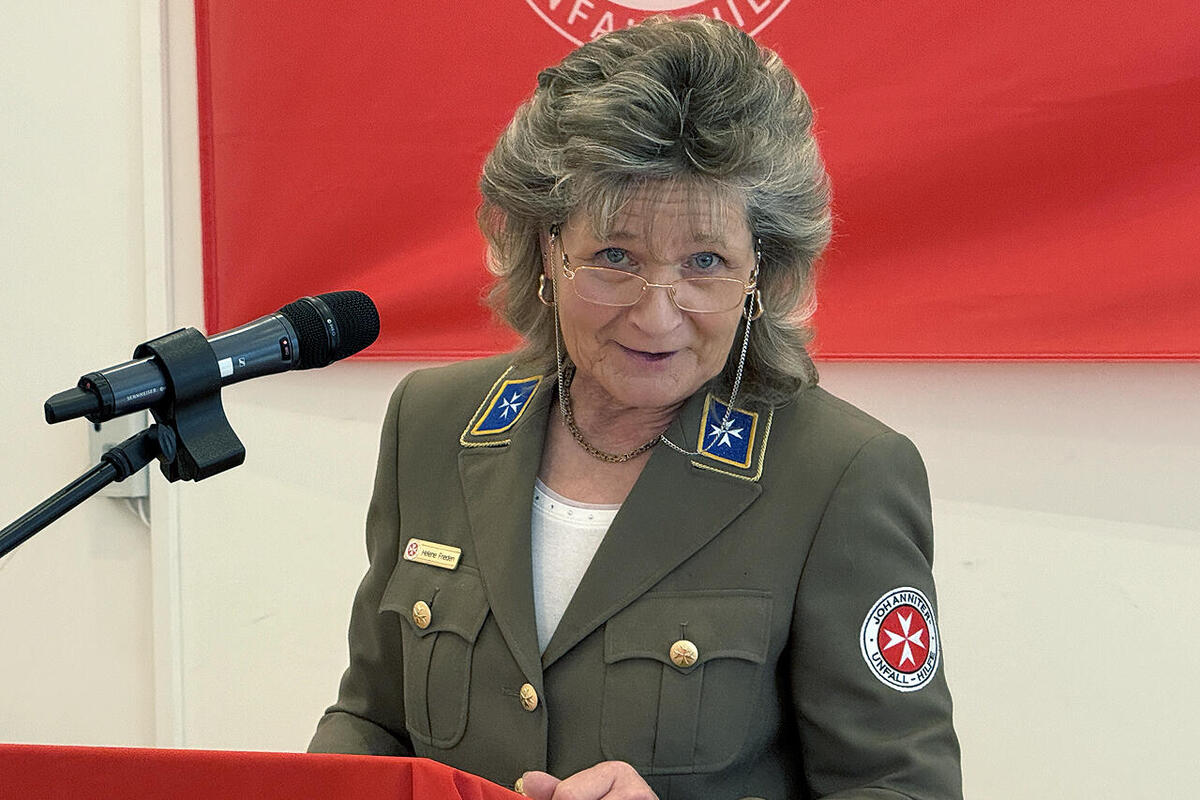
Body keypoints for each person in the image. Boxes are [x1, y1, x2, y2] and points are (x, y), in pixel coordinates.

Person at [309, 15, 962, 800]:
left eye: (705, 261)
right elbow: (372, 723)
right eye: (614, 257)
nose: (657, 315)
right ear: (546, 250)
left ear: (762, 271)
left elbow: (900, 787)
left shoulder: (841, 474)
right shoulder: (433, 422)